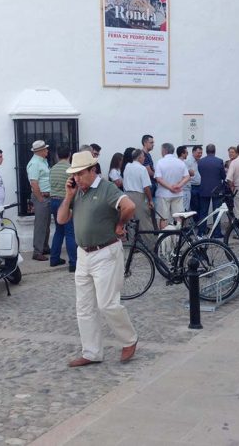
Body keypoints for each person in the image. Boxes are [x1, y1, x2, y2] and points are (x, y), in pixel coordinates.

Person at [57, 150, 139, 367]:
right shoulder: (77, 193)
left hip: (105, 252)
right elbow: (61, 218)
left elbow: (129, 206)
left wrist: (120, 224)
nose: (77, 178)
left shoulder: (106, 188)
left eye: (81, 173)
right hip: (84, 254)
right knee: (84, 306)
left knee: (107, 304)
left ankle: (129, 339)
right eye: (74, 174)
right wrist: (68, 196)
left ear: (93, 170)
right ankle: (91, 352)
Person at [49, 145, 78, 272]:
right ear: (69, 155)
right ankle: (74, 263)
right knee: (70, 233)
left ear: (57, 155)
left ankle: (54, 259)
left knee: (59, 231)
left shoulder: (52, 168)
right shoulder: (70, 169)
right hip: (65, 202)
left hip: (53, 201)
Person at [154, 143, 190, 228]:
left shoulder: (160, 162)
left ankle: (164, 238)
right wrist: (179, 186)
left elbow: (158, 179)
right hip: (178, 193)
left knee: (164, 218)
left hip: (163, 194)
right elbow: (187, 176)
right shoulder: (180, 162)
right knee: (178, 218)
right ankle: (178, 237)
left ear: (164, 150)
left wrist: (170, 187)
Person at [27, 140, 52, 261]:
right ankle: (37, 251)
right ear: (40, 151)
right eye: (45, 149)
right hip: (41, 197)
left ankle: (44, 247)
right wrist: (41, 199)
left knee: (46, 224)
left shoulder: (42, 162)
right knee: (40, 225)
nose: (47, 151)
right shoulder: (35, 163)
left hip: (46, 196)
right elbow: (34, 183)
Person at [197, 144, 226, 237]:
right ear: (215, 151)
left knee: (203, 212)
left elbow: (201, 173)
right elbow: (223, 176)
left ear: (206, 151)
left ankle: (201, 232)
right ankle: (216, 233)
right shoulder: (219, 161)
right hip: (216, 190)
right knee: (217, 212)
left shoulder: (200, 162)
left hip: (204, 189)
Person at [122, 149, 154, 231]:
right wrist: (150, 200)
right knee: (144, 221)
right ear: (139, 157)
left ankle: (132, 241)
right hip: (138, 196)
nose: (144, 158)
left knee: (131, 221)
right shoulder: (142, 169)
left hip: (127, 195)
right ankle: (150, 242)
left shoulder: (127, 166)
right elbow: (146, 187)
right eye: (143, 157)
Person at [188, 146, 202, 213]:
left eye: (201, 153)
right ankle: (196, 222)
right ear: (193, 152)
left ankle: (199, 222)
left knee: (200, 206)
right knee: (194, 206)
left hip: (200, 186)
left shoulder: (200, 161)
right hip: (192, 187)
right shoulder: (188, 161)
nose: (200, 154)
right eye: (198, 153)